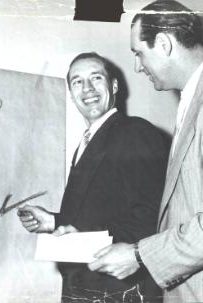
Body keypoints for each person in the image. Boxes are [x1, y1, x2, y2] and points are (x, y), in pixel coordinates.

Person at [88, 1, 203, 302]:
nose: (137, 65)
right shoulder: (199, 97)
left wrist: (138, 255)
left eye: (139, 52)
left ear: (163, 44)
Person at [17, 52, 168, 302]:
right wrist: (54, 222)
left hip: (119, 291)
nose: (87, 88)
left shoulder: (135, 132)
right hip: (88, 288)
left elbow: (152, 219)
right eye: (77, 81)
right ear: (71, 93)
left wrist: (83, 240)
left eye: (96, 78)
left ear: (114, 86)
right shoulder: (89, 142)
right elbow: (104, 213)